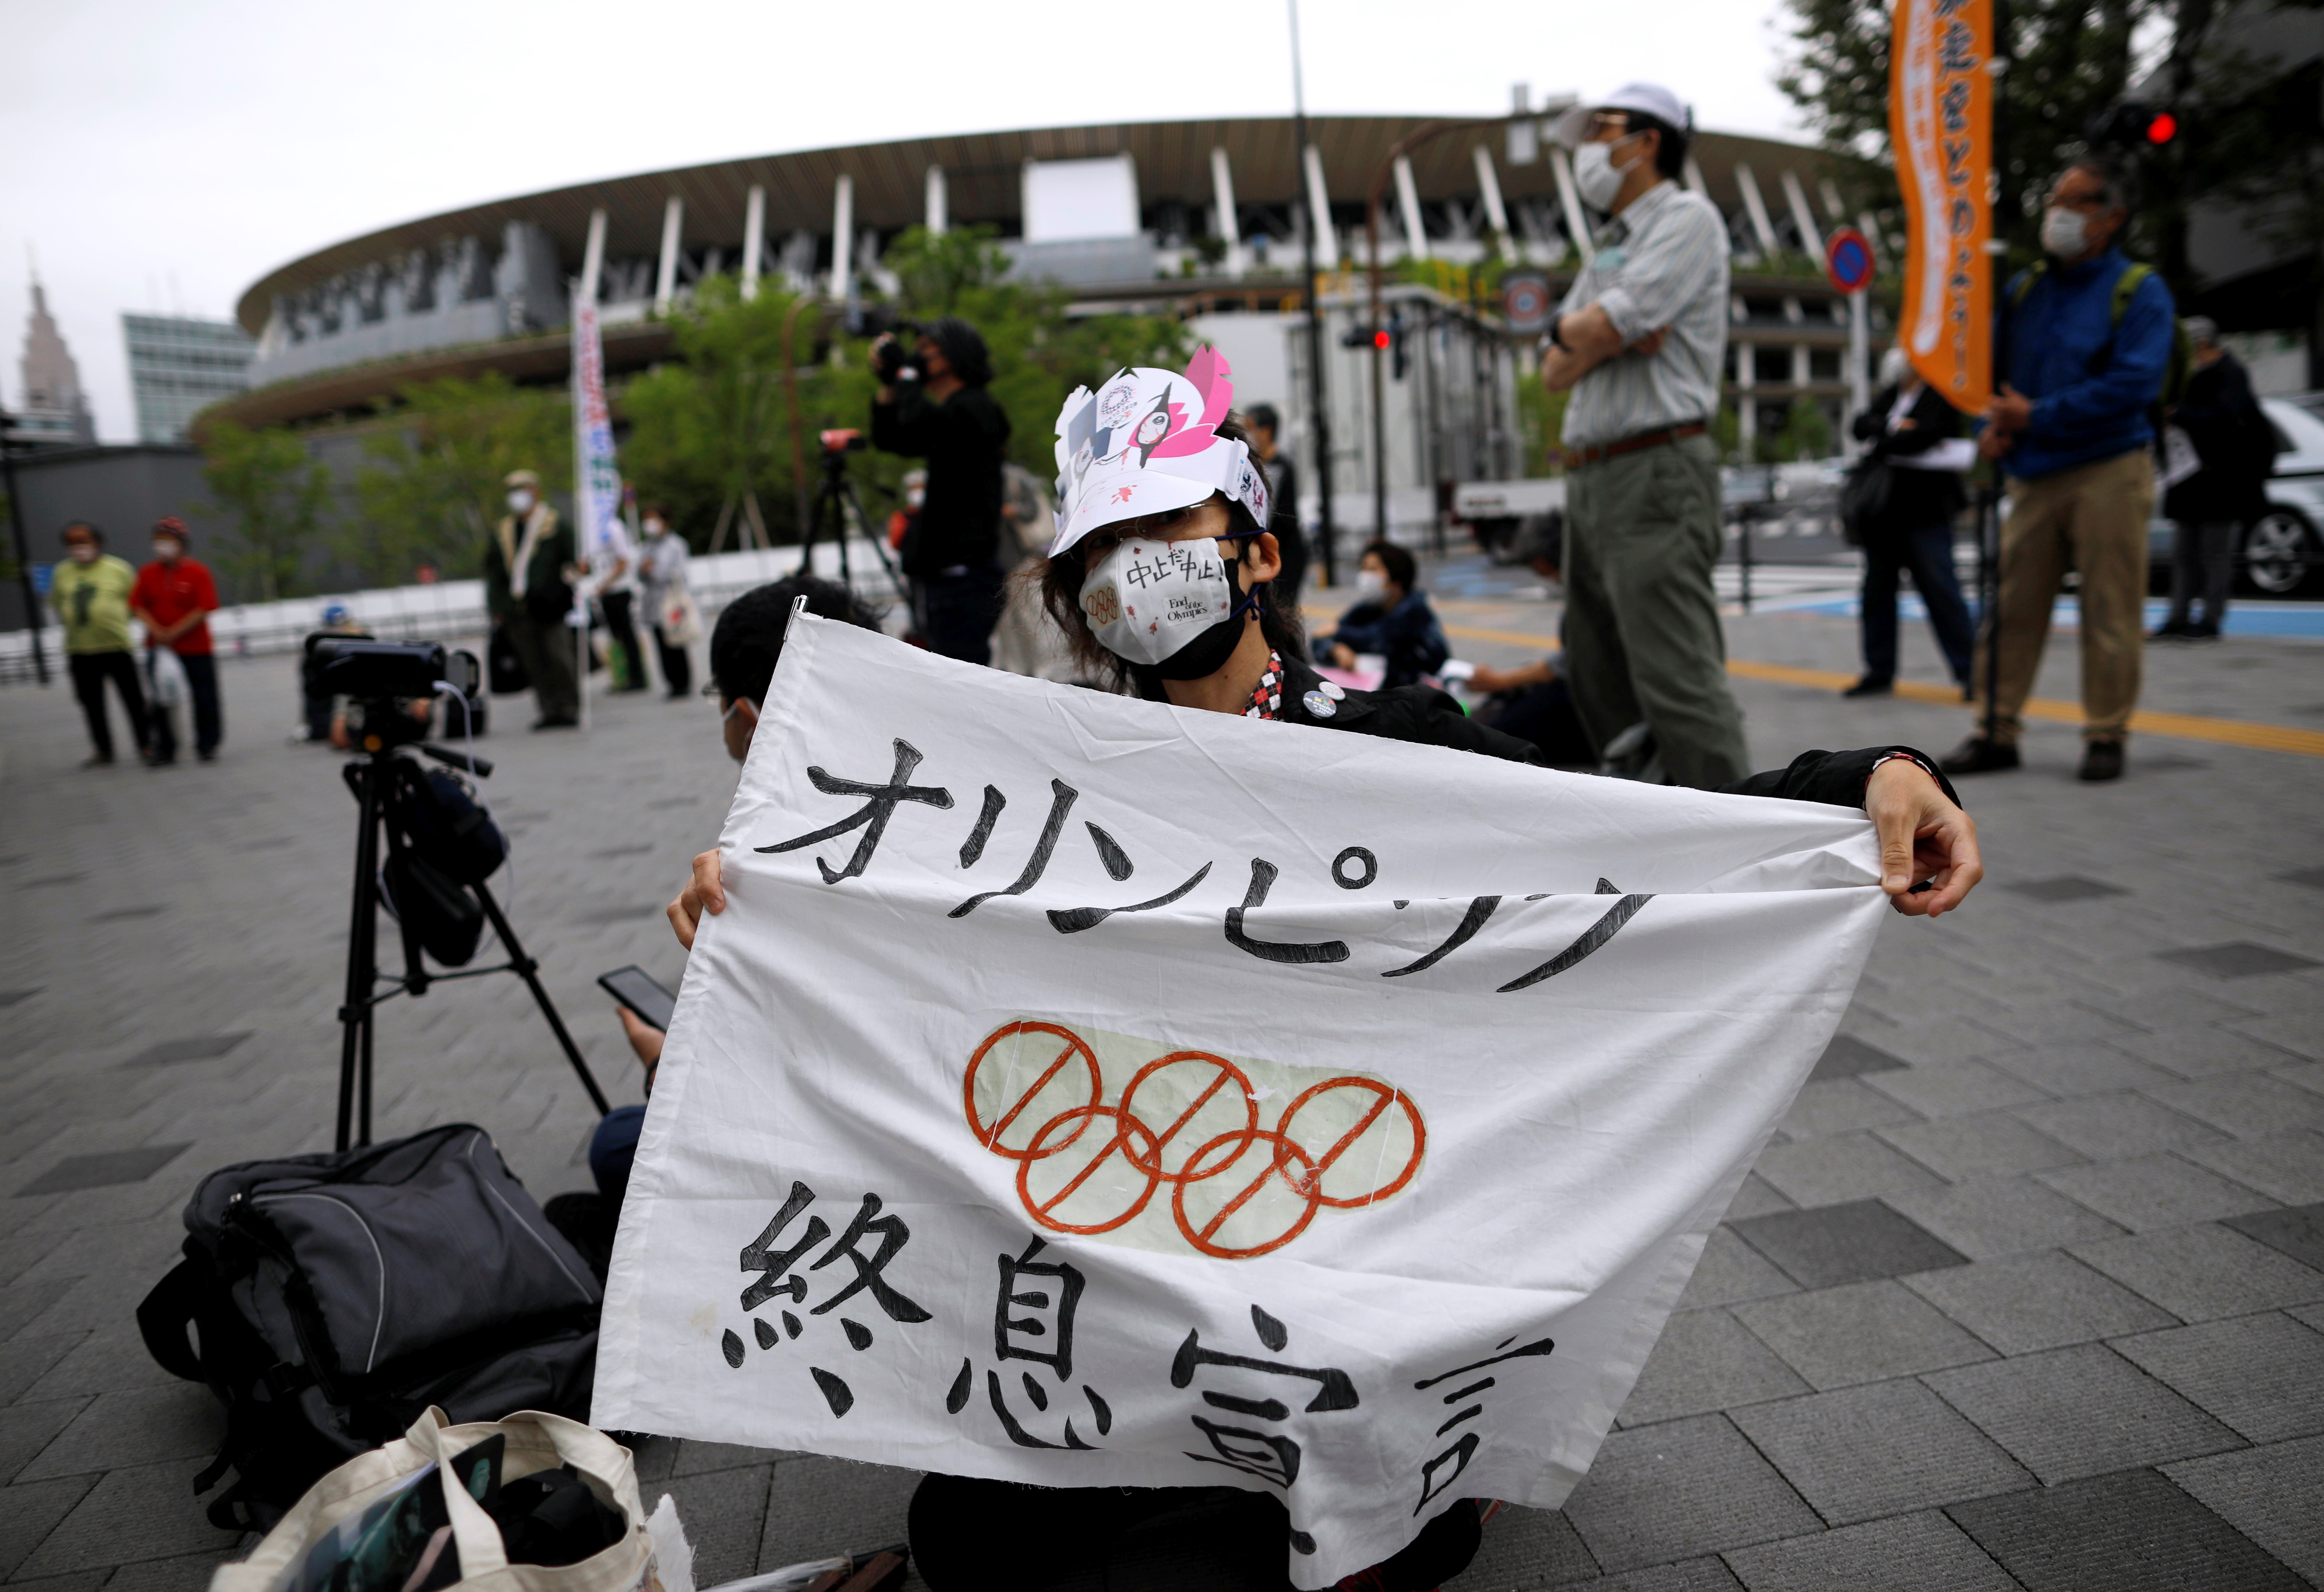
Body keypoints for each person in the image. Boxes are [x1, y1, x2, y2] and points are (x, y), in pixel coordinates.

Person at [667, 358, 1984, 1592]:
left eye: (1165, 530)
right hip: (1142, 1276)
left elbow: (1619, 828)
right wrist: (762, 902)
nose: (1138, 574)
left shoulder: (1394, 739)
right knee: (965, 1528)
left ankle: (1437, 1479)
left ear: (1254, 549)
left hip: (1360, 1282)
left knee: (1180, 1557)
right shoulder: (1044, 797)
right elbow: (917, 955)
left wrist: (1847, 783)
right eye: (1102, 557)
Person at [549, 575, 891, 1277]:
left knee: (617, 1143)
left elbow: (774, 1086)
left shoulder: (767, 860)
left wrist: (663, 1062)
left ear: (748, 715)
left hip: (853, 1165)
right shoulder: (963, 798)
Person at [1539, 84, 1750, 791]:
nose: (1592, 149)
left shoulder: (1688, 219)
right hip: (1594, 472)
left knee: (1675, 677)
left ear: (1648, 139)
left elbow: (1586, 332)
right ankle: (1651, 827)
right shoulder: (1611, 244)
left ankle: (1736, 842)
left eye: (1603, 129)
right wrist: (1602, 330)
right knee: (1599, 672)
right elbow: (1555, 368)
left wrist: (1587, 329)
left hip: (1655, 463)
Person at [1946, 156, 2176, 784]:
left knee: (2110, 609)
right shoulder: (2025, 289)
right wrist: (1987, 428)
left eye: (2077, 203)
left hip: (2108, 466)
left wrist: (2034, 415)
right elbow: (1987, 378)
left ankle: (2106, 733)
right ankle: (1996, 729)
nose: (2060, 215)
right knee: (2012, 607)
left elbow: (2133, 385)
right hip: (2034, 470)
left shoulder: (2140, 289)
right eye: (2058, 199)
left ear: (2111, 219)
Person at [869, 317, 1011, 665]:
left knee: (962, 673)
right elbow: (893, 438)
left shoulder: (977, 408)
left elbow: (924, 422)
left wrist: (906, 376)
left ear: (954, 354)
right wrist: (890, 384)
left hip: (964, 577)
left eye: (926, 352)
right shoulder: (949, 415)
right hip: (945, 578)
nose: (919, 360)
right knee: (950, 671)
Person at [1844, 348, 1977, 698]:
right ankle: (1879, 669)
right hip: (1885, 513)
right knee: (1877, 593)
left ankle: (1970, 672)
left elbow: (1928, 435)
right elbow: (1860, 426)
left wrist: (1887, 435)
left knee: (1941, 590)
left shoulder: (1940, 392)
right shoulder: (1892, 395)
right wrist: (1895, 429)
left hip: (1926, 511)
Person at [2155, 317, 2271, 642]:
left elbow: (2228, 419)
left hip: (2221, 477)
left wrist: (2179, 416)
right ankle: (2177, 617)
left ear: (2203, 344)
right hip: (2187, 477)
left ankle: (2210, 619)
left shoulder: (2230, 374)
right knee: (2183, 552)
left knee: (2214, 552)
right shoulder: (2187, 377)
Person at [483, 469, 581, 729]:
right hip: (517, 609)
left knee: (558, 656)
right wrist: (497, 606)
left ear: (535, 491)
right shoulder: (504, 530)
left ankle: (569, 705)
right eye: (513, 492)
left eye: (523, 490)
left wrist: (579, 572)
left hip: (549, 605)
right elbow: (493, 572)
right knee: (533, 661)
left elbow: (574, 558)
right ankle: (548, 708)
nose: (518, 497)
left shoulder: (553, 525)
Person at [49, 520, 149, 767]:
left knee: (133, 699)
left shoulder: (118, 568)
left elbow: (137, 602)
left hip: (116, 645)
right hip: (80, 649)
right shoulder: (62, 572)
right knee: (91, 703)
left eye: (83, 541)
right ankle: (103, 749)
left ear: (97, 543)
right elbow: (57, 603)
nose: (79, 547)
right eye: (72, 543)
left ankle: (146, 744)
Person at [131, 516, 223, 764]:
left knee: (204, 697)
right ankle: (165, 747)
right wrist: (158, 631)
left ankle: (207, 744)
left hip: (195, 647)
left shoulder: (197, 572)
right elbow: (138, 605)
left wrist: (174, 632)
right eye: (158, 541)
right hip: (159, 648)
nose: (162, 546)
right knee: (161, 699)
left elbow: (204, 607)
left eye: (168, 541)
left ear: (182, 543)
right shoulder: (148, 573)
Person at [1321, 540, 1450, 689]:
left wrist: (1338, 632)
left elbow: (1377, 639)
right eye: (1364, 569)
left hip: (1422, 695)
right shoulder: (1369, 607)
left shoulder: (1414, 608)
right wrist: (1336, 649)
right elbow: (1320, 638)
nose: (1365, 576)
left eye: (1373, 569)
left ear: (1396, 578)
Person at [1243, 403, 1309, 608]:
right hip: (1271, 550)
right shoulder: (1256, 464)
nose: (1246, 434)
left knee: (1280, 614)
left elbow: (1266, 515)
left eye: (1250, 428)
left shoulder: (1279, 467)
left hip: (1285, 553)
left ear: (1266, 432)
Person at [588, 511, 649, 693]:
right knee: (616, 637)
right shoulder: (594, 530)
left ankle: (637, 677)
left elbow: (624, 560)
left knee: (627, 635)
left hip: (619, 590)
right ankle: (622, 676)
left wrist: (605, 583)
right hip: (605, 591)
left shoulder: (614, 527)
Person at [637, 505, 695, 697]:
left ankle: (683, 683)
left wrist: (652, 570)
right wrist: (644, 571)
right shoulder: (646, 546)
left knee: (676, 642)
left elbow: (678, 573)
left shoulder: (676, 545)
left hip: (671, 599)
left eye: (653, 519)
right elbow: (640, 575)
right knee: (660, 644)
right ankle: (671, 682)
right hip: (654, 602)